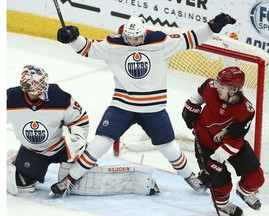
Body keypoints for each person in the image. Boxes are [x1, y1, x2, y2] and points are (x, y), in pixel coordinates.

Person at [50, 13, 236, 196]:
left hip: (153, 109)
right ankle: (70, 180)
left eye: (137, 38)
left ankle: (191, 178)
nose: (133, 42)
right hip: (122, 106)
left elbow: (191, 38)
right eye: (129, 38)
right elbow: (87, 48)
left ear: (145, 34)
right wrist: (73, 38)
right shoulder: (114, 45)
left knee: (169, 147)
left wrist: (213, 25)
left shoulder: (161, 43)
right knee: (100, 143)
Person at [182, 66, 265, 216]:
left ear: (234, 90)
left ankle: (244, 192)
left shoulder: (246, 111)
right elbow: (197, 97)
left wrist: (212, 165)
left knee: (256, 177)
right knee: (222, 185)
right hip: (205, 143)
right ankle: (223, 205)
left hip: (230, 144)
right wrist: (190, 110)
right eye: (218, 83)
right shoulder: (211, 86)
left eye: (223, 86)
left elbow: (233, 141)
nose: (217, 87)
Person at [7, 65, 89, 195]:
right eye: (37, 83)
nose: (42, 86)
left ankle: (76, 166)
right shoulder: (10, 99)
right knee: (23, 185)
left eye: (42, 82)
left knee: (73, 187)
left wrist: (78, 139)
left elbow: (81, 120)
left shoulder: (60, 97)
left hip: (62, 148)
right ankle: (23, 162)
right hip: (32, 150)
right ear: (26, 85)